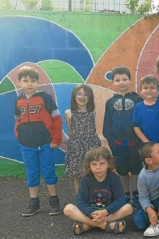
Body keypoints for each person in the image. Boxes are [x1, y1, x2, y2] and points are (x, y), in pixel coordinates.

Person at [14, 66, 62, 217]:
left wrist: (56, 138)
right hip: (26, 145)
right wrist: (18, 134)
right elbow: (17, 119)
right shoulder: (19, 100)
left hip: (45, 144)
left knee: (48, 171)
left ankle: (54, 201)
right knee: (32, 173)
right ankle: (34, 202)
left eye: (33, 80)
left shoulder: (45, 98)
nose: (29, 84)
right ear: (19, 83)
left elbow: (56, 119)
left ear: (38, 82)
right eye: (25, 80)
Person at [63, 147, 133, 235]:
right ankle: (105, 226)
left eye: (102, 163)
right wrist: (90, 213)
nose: (98, 167)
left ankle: (88, 225)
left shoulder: (114, 178)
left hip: (108, 213)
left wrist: (106, 211)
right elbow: (80, 200)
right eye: (94, 164)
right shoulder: (86, 179)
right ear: (89, 166)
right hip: (90, 213)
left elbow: (121, 199)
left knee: (128, 208)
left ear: (109, 163)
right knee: (68, 209)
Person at [103, 66, 143, 208]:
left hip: (135, 143)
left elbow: (141, 121)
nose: (121, 82)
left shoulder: (138, 99)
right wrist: (111, 141)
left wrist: (141, 141)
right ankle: (125, 194)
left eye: (124, 79)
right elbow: (106, 124)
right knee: (122, 170)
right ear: (113, 82)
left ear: (130, 80)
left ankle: (136, 193)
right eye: (117, 80)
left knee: (136, 169)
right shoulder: (110, 102)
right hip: (118, 143)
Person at [65, 84, 101, 194]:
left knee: (93, 172)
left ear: (90, 97)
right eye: (79, 94)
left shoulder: (93, 112)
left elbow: (95, 130)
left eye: (86, 94)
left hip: (91, 146)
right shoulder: (69, 113)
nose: (82, 97)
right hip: (76, 146)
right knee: (77, 175)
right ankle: (79, 198)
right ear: (74, 96)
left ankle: (94, 197)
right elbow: (71, 132)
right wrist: (75, 144)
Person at [132, 75, 159, 161]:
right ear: (141, 91)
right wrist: (148, 143)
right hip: (147, 149)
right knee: (150, 170)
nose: (149, 90)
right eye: (145, 88)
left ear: (158, 90)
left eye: (152, 88)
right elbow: (136, 127)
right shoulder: (138, 107)